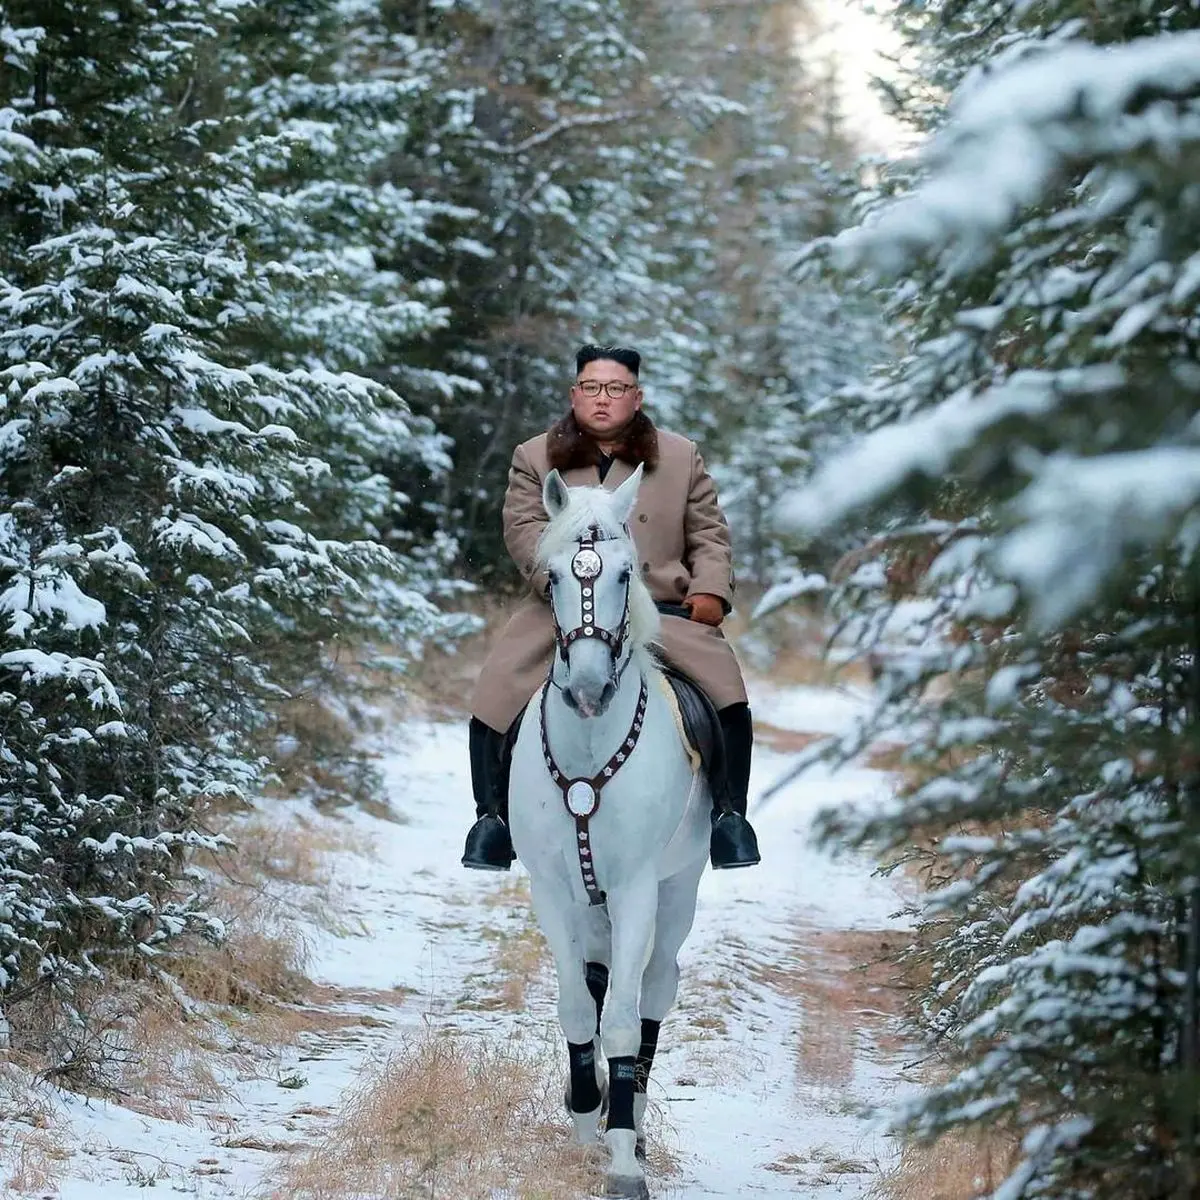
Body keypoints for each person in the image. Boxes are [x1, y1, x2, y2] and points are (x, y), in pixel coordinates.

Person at [462, 344, 761, 872]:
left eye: (617, 388)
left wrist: (711, 589)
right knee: (496, 691)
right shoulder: (534, 458)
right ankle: (493, 821)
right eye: (593, 388)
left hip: (664, 609)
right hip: (563, 607)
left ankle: (729, 818)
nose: (603, 399)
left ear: (637, 396)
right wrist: (562, 580)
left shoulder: (680, 456)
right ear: (575, 394)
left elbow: (710, 534)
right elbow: (524, 532)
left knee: (727, 697)